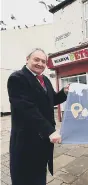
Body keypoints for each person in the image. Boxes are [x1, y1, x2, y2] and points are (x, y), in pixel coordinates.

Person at [7, 48, 69, 185]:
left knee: (40, 174)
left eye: (43, 61)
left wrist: (64, 92)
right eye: (36, 59)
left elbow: (52, 99)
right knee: (24, 177)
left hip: (43, 140)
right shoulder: (17, 78)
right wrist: (50, 130)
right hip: (26, 140)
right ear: (27, 59)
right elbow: (26, 109)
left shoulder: (45, 79)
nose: (40, 63)